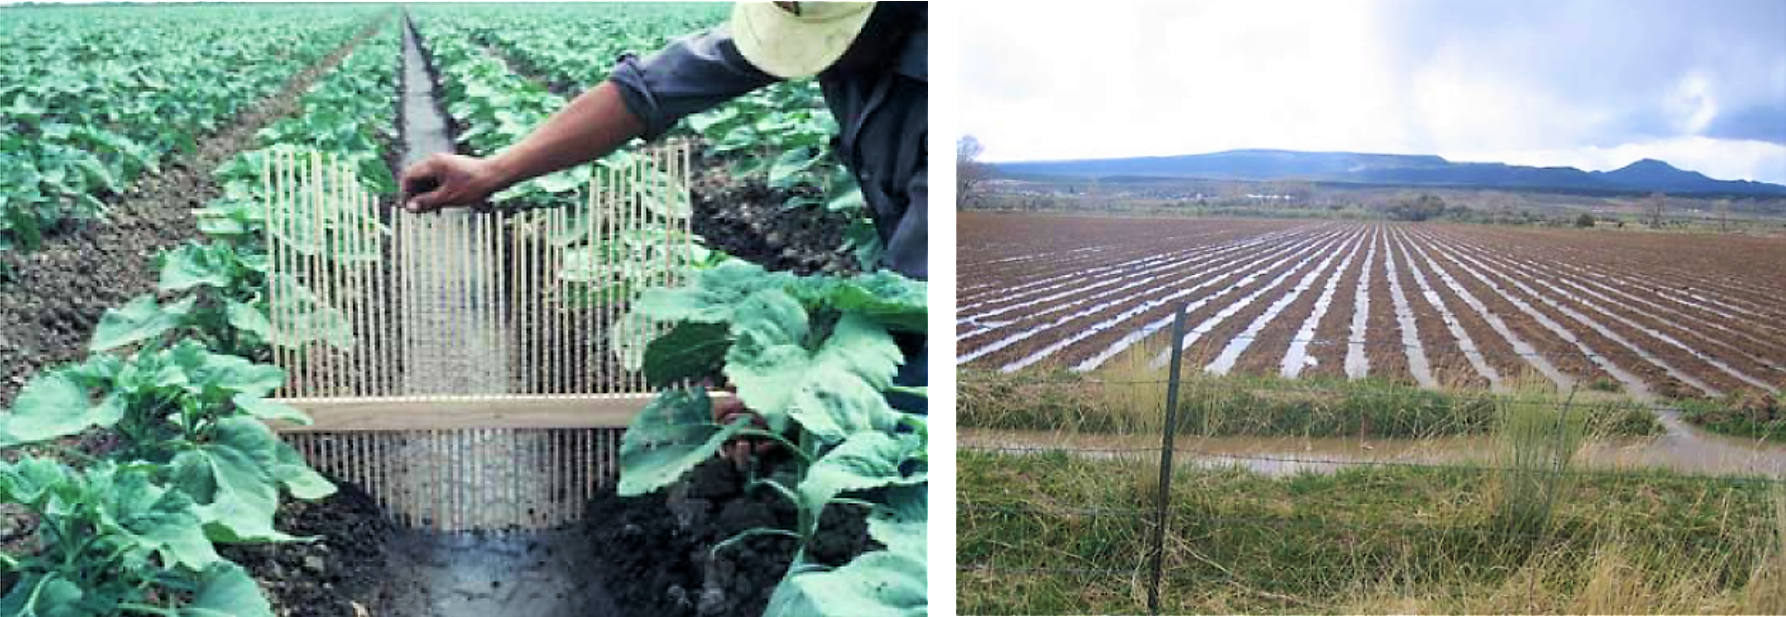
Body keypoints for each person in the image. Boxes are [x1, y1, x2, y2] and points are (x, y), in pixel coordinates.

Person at [397, 1, 928, 468]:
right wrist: (495, 169)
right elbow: (651, 90)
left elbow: (913, 294)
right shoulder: (825, 12)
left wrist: (801, 393)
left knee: (901, 443)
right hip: (909, 271)